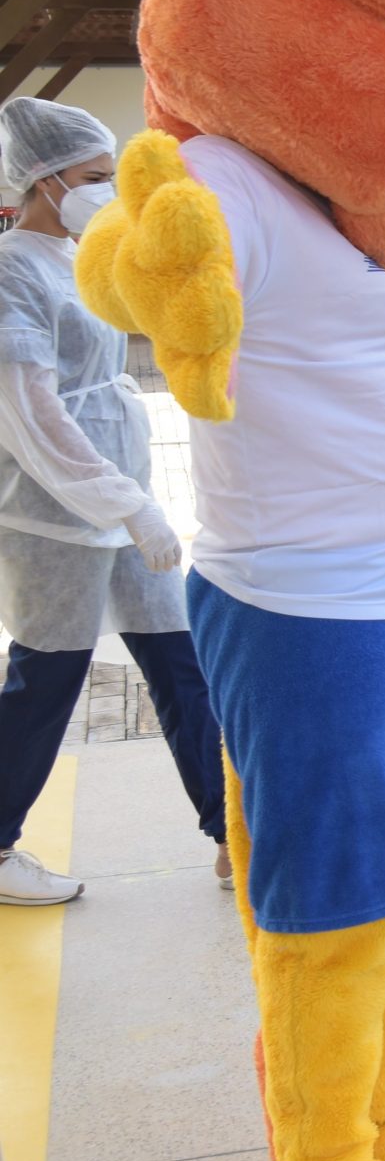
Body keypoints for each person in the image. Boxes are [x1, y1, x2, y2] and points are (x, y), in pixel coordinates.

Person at [0, 97, 226, 904]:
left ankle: (234, 833)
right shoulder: (11, 271)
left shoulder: (75, 255)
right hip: (54, 514)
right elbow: (32, 412)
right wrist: (121, 502)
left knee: (182, 663)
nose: (108, 190)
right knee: (47, 678)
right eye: (95, 176)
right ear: (45, 179)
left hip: (123, 500)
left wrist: (134, 502)